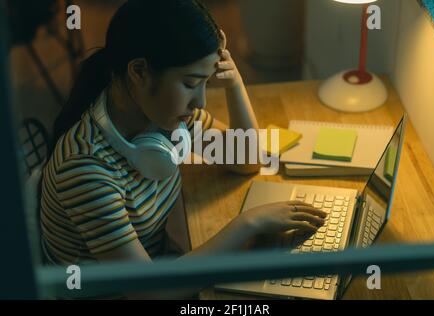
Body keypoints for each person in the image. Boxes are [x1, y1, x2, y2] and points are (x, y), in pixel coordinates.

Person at [40, 0, 326, 298]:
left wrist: (234, 84)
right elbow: (150, 293)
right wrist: (249, 223)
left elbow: (247, 159)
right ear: (139, 71)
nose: (200, 102)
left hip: (161, 265)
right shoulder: (86, 168)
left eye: (205, 82)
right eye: (191, 83)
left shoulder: (163, 116)